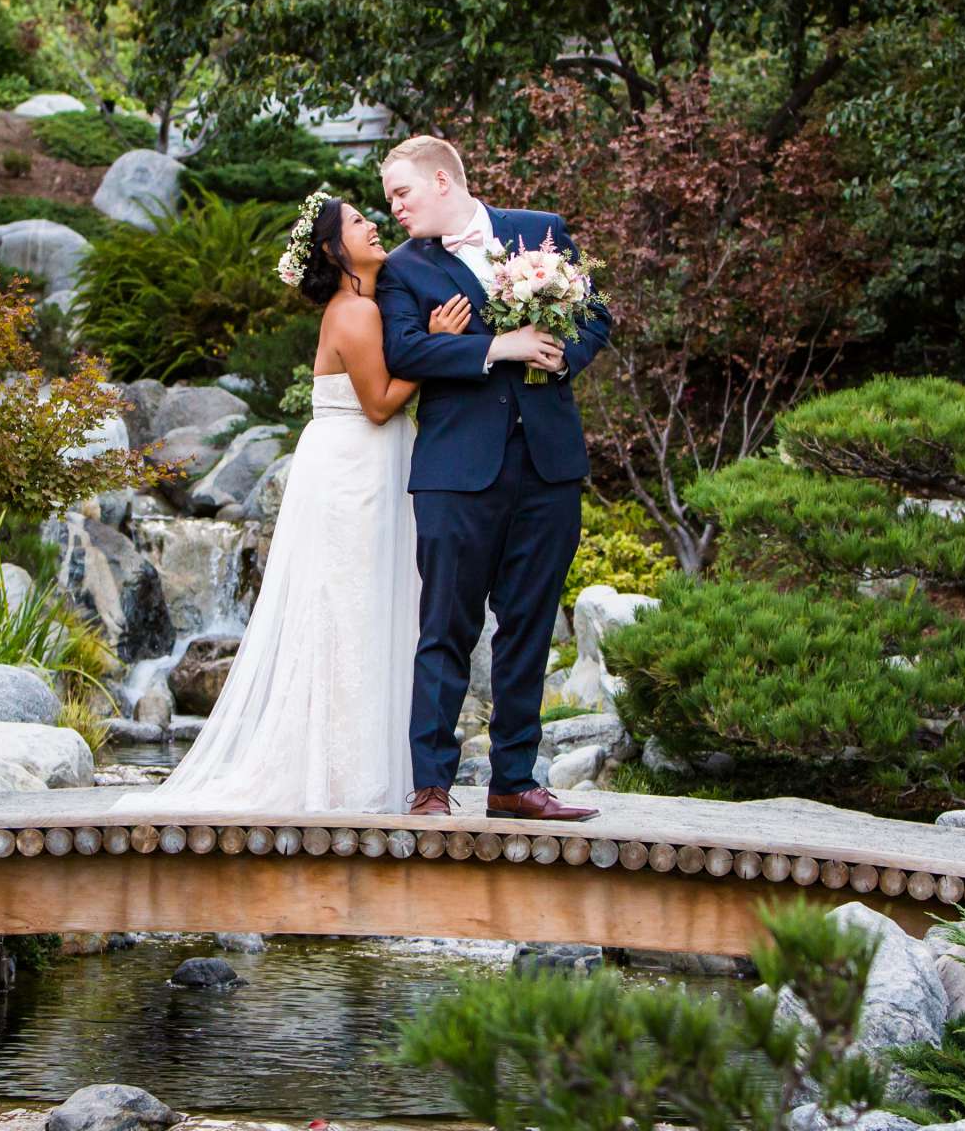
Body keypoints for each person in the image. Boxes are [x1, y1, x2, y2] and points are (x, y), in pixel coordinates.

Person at [116, 195, 472, 814]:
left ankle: (360, 771)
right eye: (360, 222)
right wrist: (439, 345)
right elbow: (382, 403)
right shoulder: (355, 314)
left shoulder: (363, 305)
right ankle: (341, 780)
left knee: (361, 612)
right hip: (353, 469)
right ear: (335, 250)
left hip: (361, 461)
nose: (374, 226)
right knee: (349, 614)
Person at [372, 134, 613, 821]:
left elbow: (596, 314)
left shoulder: (541, 232)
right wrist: (495, 346)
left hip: (548, 465)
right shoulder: (402, 270)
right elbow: (403, 348)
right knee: (444, 627)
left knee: (530, 625)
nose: (394, 208)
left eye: (402, 193)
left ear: (443, 180)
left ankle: (514, 782)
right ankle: (431, 788)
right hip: (455, 472)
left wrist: (564, 356)